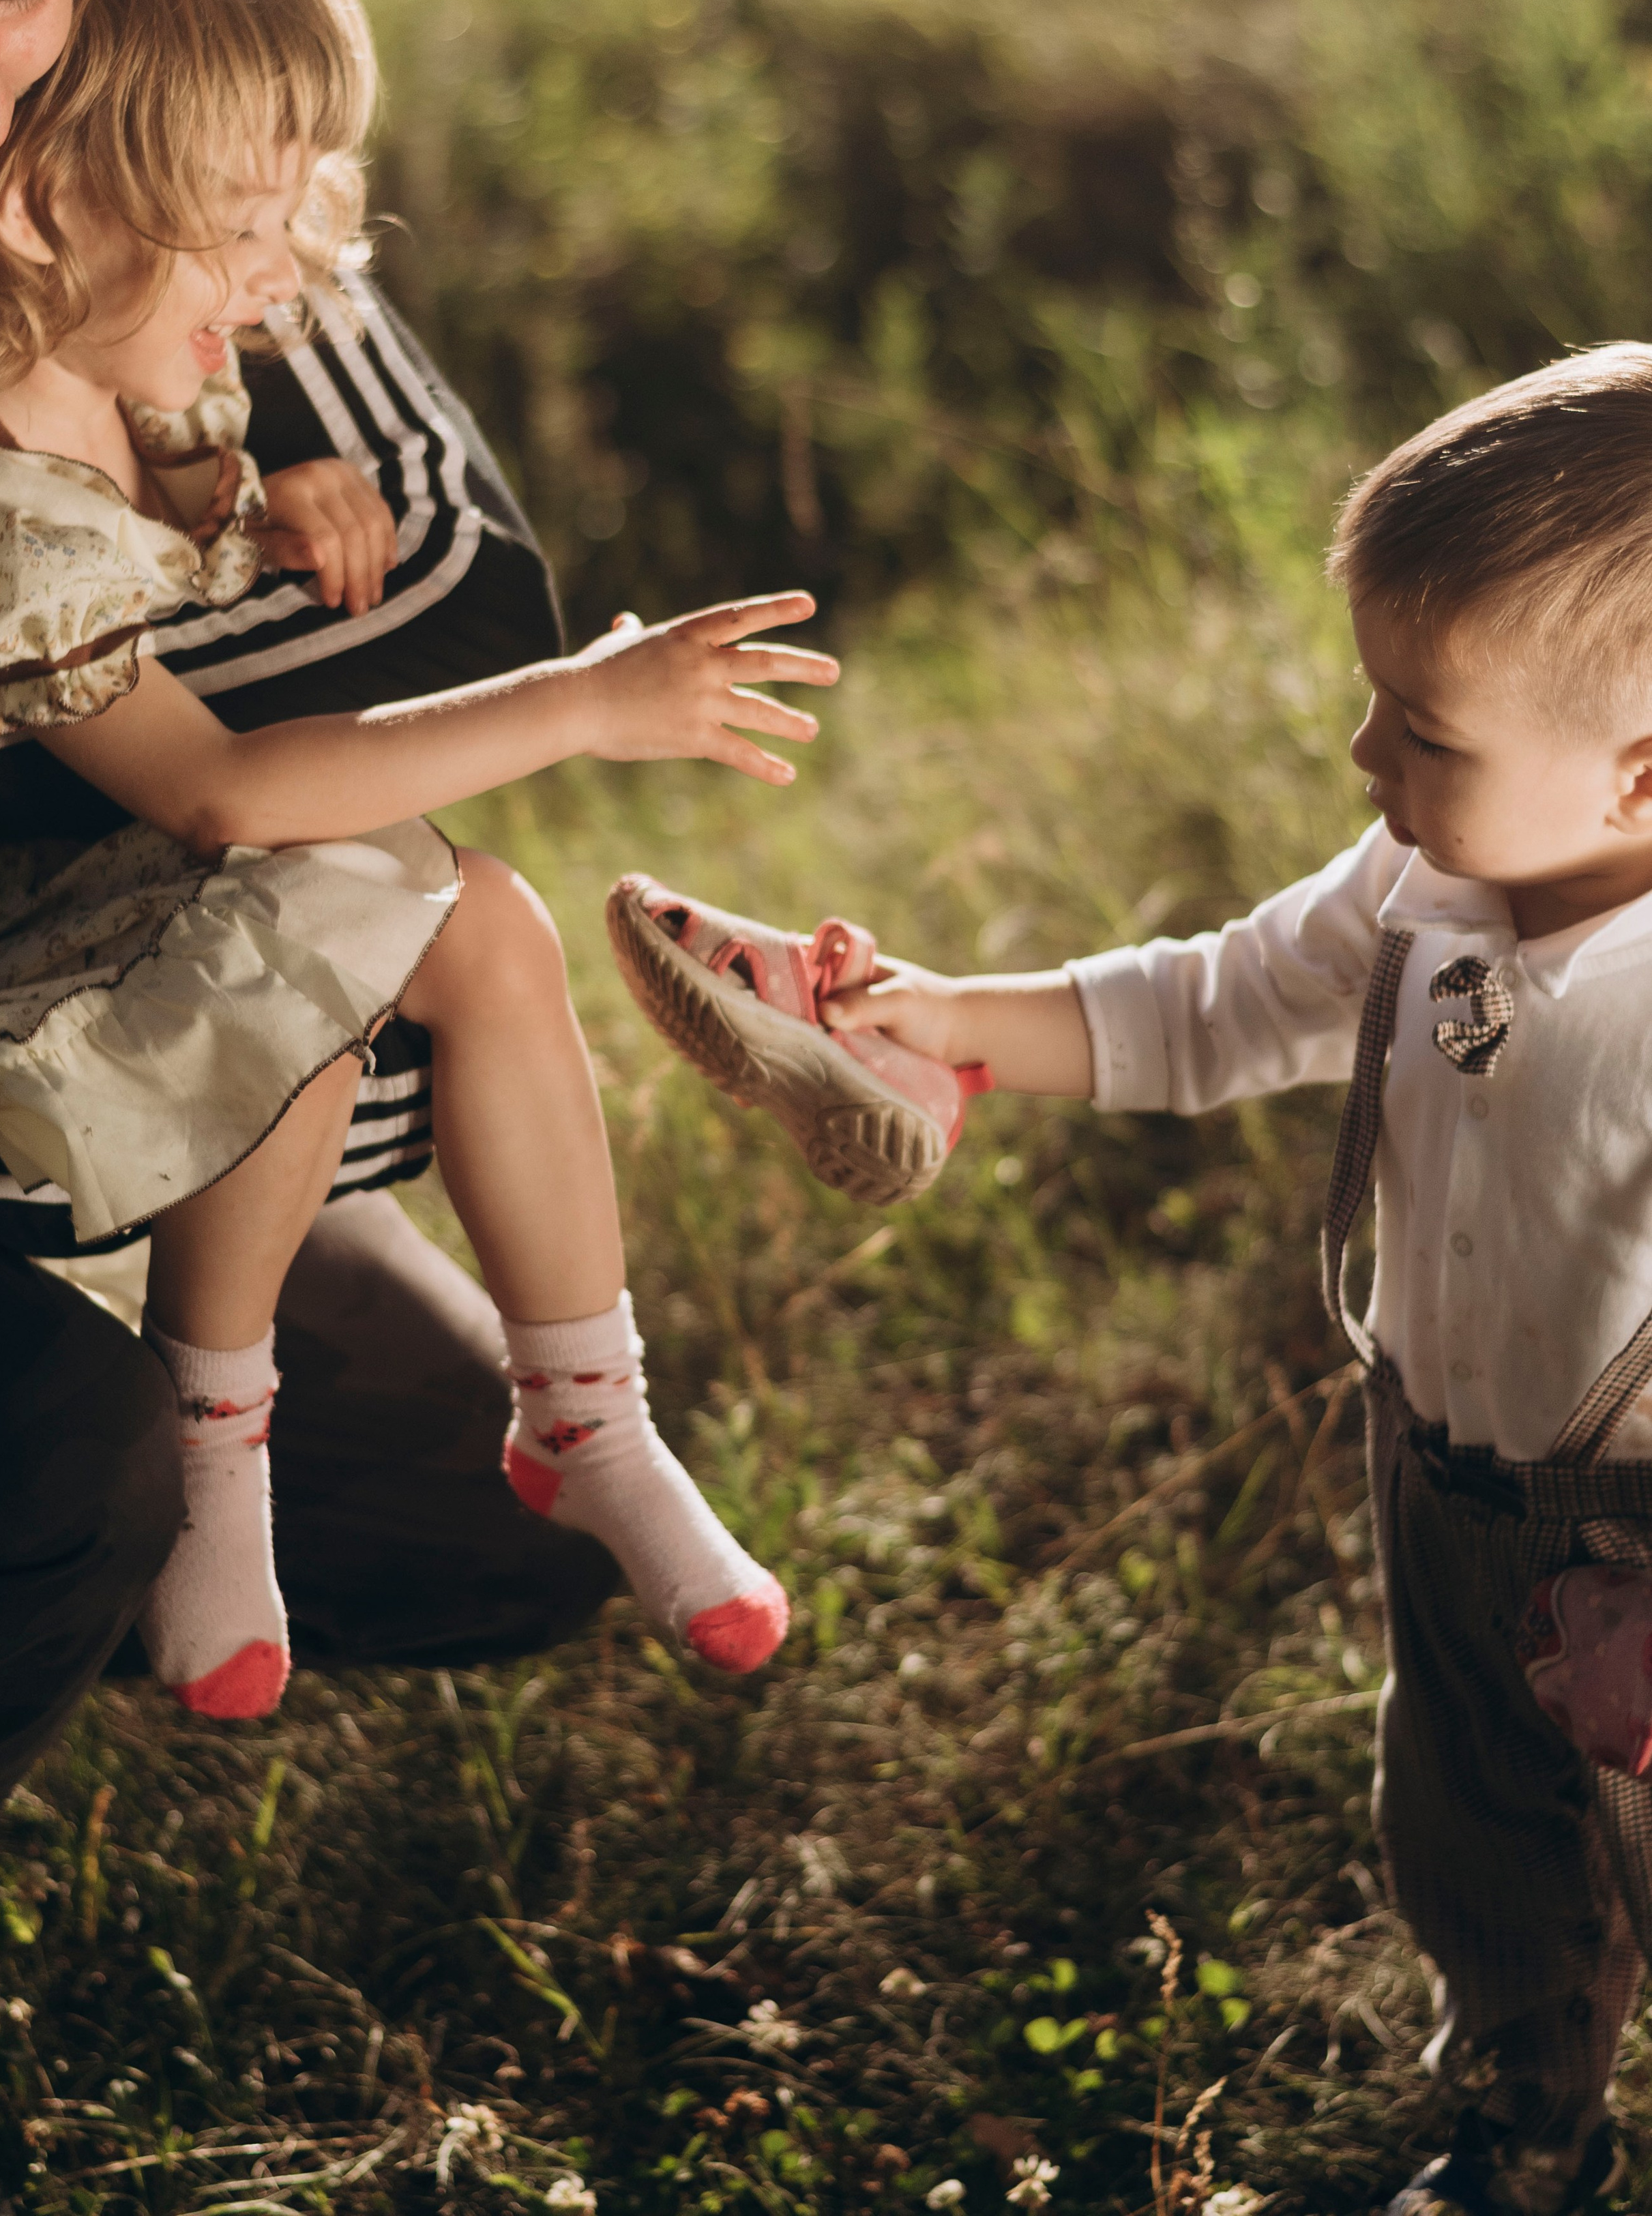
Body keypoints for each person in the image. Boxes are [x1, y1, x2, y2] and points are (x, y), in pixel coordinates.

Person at [0, 0, 801, 2151]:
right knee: (31, 1487)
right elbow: (234, 770)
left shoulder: (143, 98)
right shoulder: (8, 354)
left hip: (143, 965)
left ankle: (496, 1430)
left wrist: (245, 511)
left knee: (452, 1510)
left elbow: (459, 595)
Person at [618, 346, 1652, 2215]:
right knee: (1477, 1831)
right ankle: (1529, 2120)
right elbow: (1213, 1001)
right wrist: (937, 1021)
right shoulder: (1417, 886)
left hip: (1644, 1529)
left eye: (1423, 731)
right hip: (1446, 1490)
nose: (1366, 760)